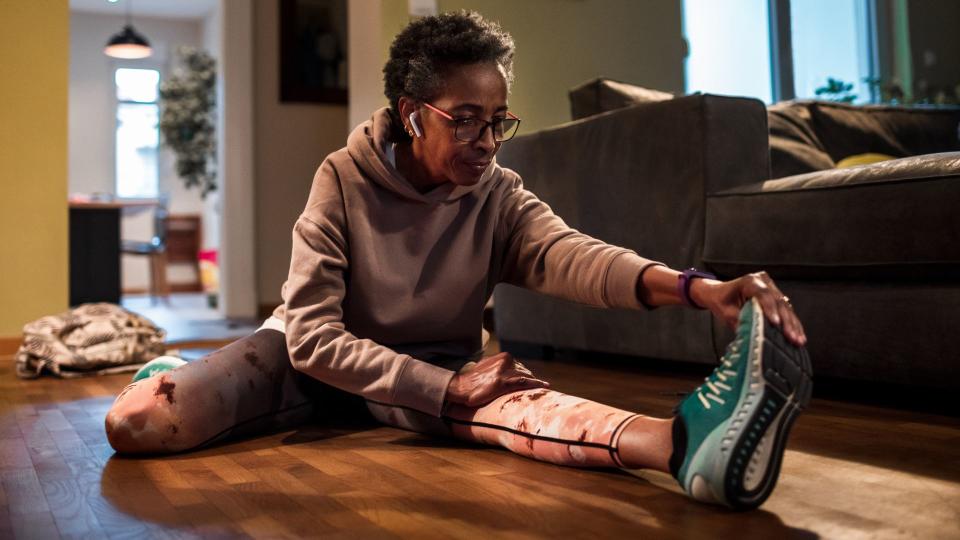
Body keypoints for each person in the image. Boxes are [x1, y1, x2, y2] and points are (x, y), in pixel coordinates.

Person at [105, 11, 811, 511]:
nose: (488, 139)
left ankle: (688, 447)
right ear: (412, 115)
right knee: (136, 425)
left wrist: (697, 289)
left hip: (431, 367)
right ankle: (172, 372)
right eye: (465, 119)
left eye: (498, 119)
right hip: (307, 362)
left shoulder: (497, 194)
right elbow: (316, 339)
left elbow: (574, 257)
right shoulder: (340, 180)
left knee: (530, 406)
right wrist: (444, 392)